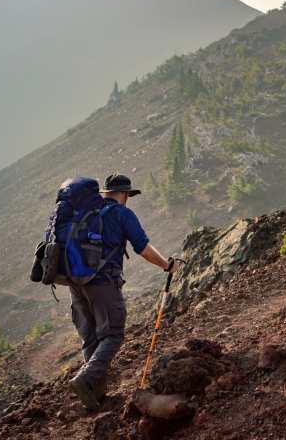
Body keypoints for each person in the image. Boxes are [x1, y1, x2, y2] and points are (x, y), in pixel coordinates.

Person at [68, 174, 179, 411]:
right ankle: (85, 379)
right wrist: (166, 265)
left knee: (92, 337)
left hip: (74, 282)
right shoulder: (122, 214)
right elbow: (142, 247)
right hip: (103, 282)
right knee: (113, 335)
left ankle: (96, 395)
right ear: (125, 194)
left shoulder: (83, 213)